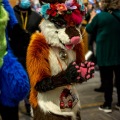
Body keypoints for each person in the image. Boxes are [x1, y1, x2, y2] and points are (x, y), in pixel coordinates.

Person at [86, 0, 120, 113]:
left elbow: (88, 29)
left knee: (107, 80)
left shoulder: (100, 17)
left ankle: (107, 104)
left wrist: (92, 17)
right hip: (118, 53)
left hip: (105, 54)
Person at [10, 0, 42, 116]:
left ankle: (30, 106)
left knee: (31, 82)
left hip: (31, 54)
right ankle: (13, 109)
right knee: (15, 82)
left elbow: (40, 33)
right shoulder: (11, 15)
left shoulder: (36, 16)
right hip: (15, 54)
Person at [0, 0, 30, 119]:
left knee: (16, 86)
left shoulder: (3, 4)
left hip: (5, 55)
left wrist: (18, 31)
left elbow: (12, 22)